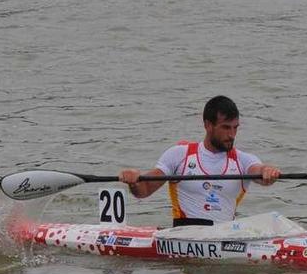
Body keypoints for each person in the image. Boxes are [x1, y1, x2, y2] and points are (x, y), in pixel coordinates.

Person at [119, 96, 280, 226]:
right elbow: (145, 190)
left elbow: (259, 172)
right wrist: (134, 181)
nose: (232, 135)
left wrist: (267, 172)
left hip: (225, 237)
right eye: (225, 127)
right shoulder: (179, 155)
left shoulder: (243, 160)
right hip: (184, 238)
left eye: (235, 127)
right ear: (208, 125)